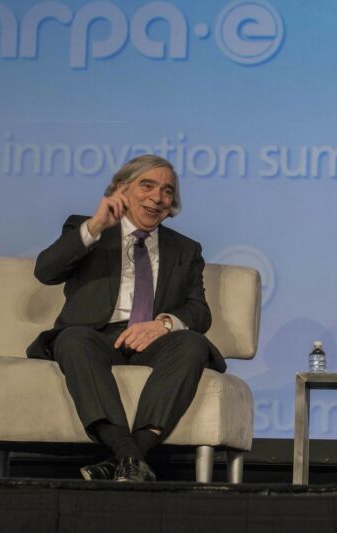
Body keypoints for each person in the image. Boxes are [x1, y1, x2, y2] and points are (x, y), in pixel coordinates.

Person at [27, 154, 226, 482]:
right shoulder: (86, 227)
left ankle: (124, 459)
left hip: (152, 340)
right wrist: (95, 226)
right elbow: (45, 271)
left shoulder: (186, 249)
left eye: (166, 191)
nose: (157, 198)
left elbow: (199, 311)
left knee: (192, 343)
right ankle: (131, 456)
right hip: (95, 336)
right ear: (121, 188)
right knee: (73, 339)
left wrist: (162, 324)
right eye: (147, 186)